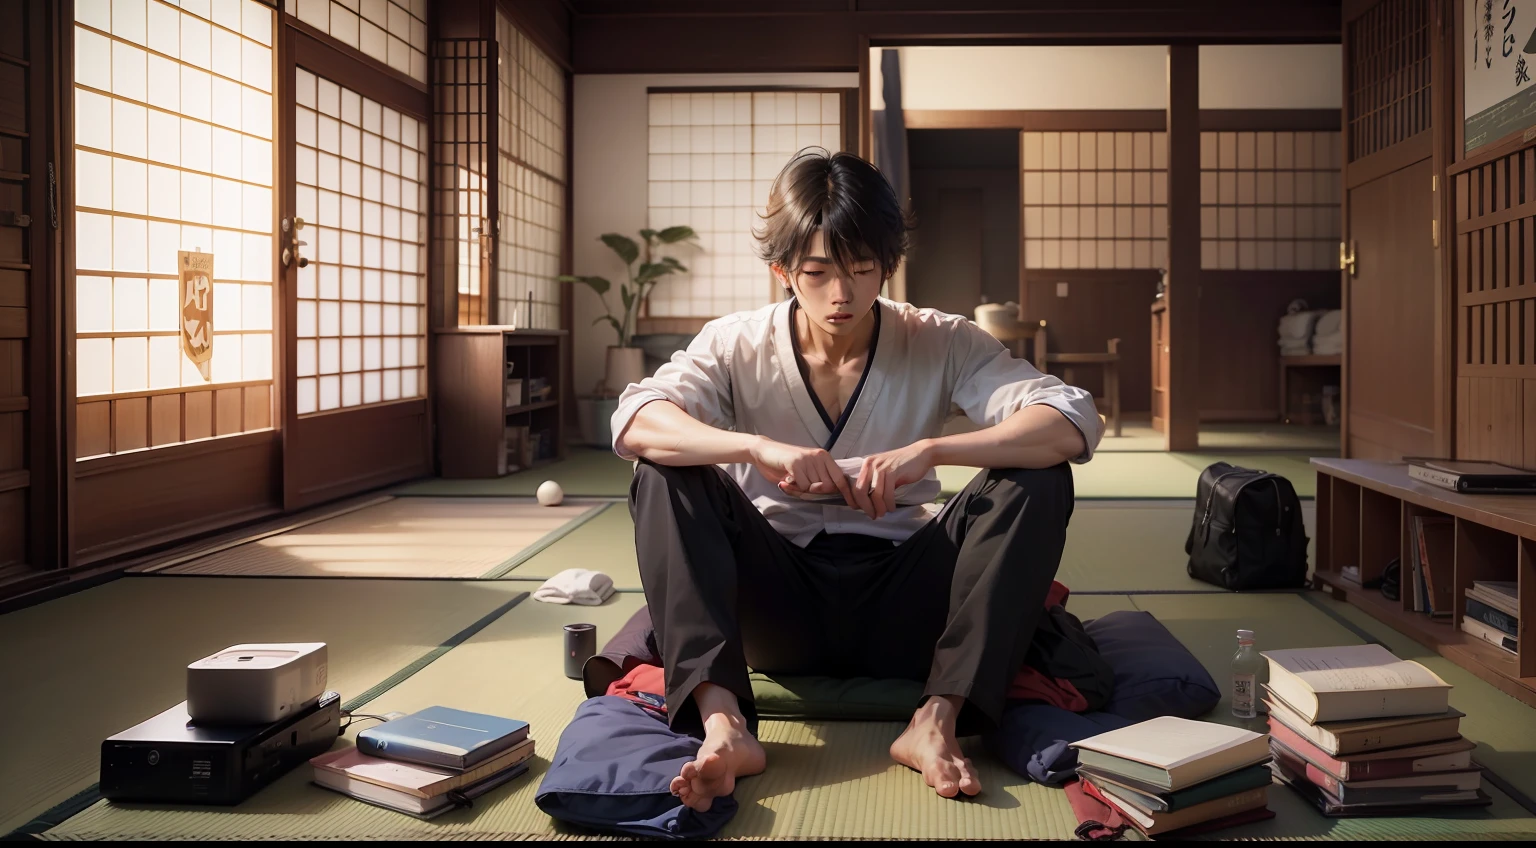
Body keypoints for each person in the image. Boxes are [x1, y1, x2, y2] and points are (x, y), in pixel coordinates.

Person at [609, 148, 1102, 812]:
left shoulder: (941, 339)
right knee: (664, 474)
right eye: (816, 272)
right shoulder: (735, 343)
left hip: (909, 605)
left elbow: (1071, 419)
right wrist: (752, 447)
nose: (841, 294)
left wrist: (933, 451)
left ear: (886, 264)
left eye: (863, 269)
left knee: (1038, 480)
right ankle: (725, 725)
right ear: (783, 270)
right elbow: (637, 419)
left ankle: (938, 718)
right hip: (773, 608)